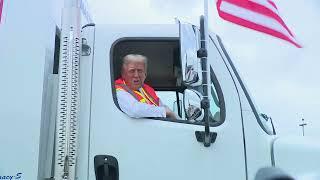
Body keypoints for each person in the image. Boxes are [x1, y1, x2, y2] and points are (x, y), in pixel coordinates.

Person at [115, 54, 176, 119]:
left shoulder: (147, 90)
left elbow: (165, 108)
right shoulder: (118, 90)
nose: (136, 75)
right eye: (132, 71)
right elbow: (135, 110)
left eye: (140, 71)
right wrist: (164, 112)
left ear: (145, 74)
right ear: (123, 74)